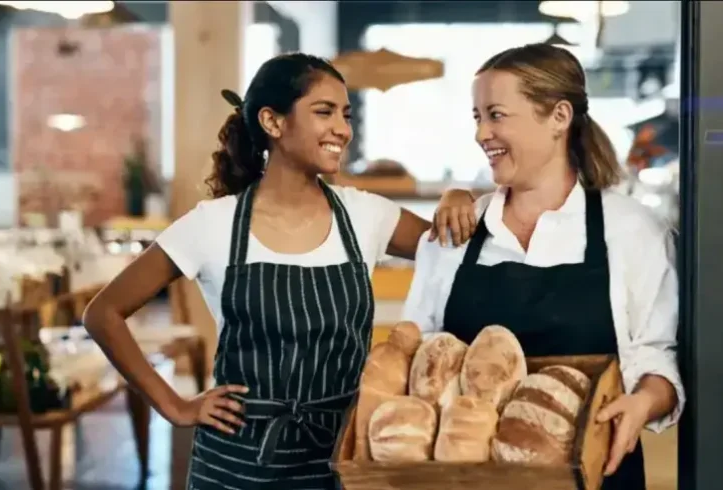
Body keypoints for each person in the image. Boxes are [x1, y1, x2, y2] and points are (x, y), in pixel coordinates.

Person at [83, 53, 463, 489]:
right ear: (272, 121)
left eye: (345, 114)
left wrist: (456, 198)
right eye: (324, 112)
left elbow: (458, 247)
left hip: (340, 454)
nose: (343, 129)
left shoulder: (366, 216)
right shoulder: (213, 224)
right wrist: (175, 406)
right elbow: (103, 313)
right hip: (237, 461)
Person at [406, 43, 683, 490]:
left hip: (596, 473)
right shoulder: (454, 235)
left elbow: (657, 355)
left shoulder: (632, 231)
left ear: (559, 116)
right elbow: (421, 363)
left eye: (496, 115)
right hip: (471, 482)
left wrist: (644, 402)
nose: (481, 134)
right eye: (477, 117)